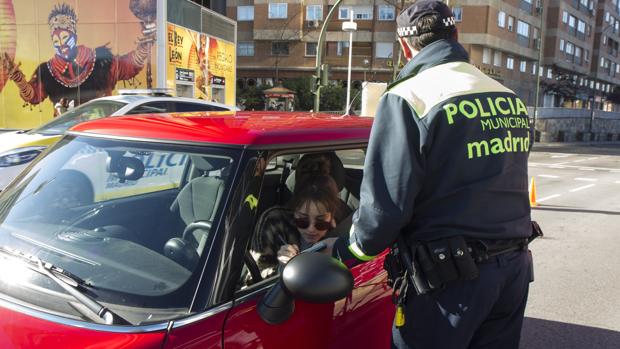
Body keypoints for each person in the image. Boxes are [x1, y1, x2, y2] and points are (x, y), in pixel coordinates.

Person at [325, 1, 536, 348]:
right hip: (513, 271)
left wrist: (343, 254)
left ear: (406, 47)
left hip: (451, 282)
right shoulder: (508, 97)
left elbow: (384, 209)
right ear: (456, 35)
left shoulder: (409, 96)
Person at [0, 3, 155, 115]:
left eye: (65, 37)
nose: (62, 45)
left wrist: (145, 44)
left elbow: (129, 66)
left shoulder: (101, 60)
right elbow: (34, 96)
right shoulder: (46, 71)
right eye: (56, 41)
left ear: (74, 35)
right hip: (65, 136)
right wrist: (19, 80)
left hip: (101, 132)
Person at [251, 175, 341, 277]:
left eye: (320, 222)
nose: (311, 229)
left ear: (331, 216)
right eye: (303, 221)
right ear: (294, 212)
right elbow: (255, 277)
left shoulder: (341, 234)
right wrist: (282, 268)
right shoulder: (274, 223)